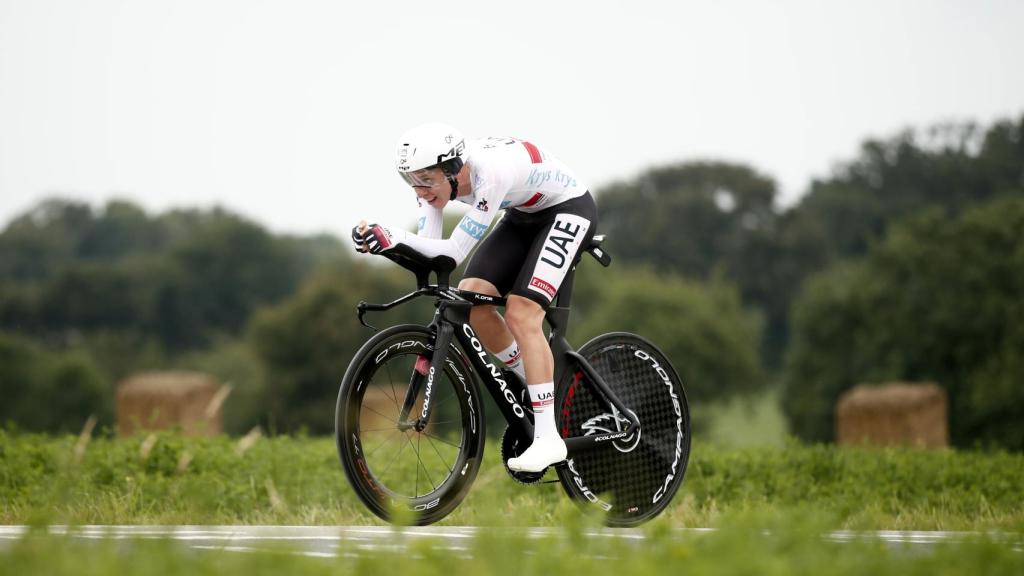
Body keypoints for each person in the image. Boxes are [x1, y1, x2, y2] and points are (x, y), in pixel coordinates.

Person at [351, 123, 598, 473]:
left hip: (568, 209)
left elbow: (451, 253)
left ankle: (548, 438)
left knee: (521, 312)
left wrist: (391, 236)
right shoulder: (435, 187)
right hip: (522, 215)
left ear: (452, 169)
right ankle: (538, 380)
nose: (419, 190)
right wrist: (385, 247)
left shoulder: (490, 176)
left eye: (424, 179)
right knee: (472, 301)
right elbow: (430, 249)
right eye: (411, 181)